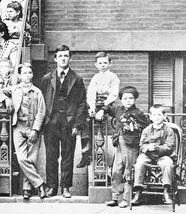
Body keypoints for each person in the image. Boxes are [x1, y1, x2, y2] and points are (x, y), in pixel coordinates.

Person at [40, 45, 88, 199]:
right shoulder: (47, 78)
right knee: (51, 155)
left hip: (69, 123)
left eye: (66, 56)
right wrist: (44, 122)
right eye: (60, 56)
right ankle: (52, 186)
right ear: (55, 58)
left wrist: (76, 125)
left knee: (68, 155)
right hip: (51, 122)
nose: (63, 58)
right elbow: (42, 101)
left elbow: (81, 103)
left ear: (70, 58)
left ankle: (66, 187)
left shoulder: (77, 79)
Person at [96, 86, 148, 208]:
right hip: (118, 144)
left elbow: (145, 128)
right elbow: (108, 107)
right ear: (121, 100)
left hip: (131, 146)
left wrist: (134, 126)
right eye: (125, 98)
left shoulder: (138, 113)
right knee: (116, 171)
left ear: (135, 99)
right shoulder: (118, 109)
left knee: (128, 172)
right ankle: (115, 197)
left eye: (131, 98)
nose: (128, 100)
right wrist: (102, 110)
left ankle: (126, 198)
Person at [8, 63, 48, 200]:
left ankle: (27, 189)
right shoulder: (13, 89)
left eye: (29, 73)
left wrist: (35, 130)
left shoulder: (37, 92)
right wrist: (6, 100)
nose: (27, 75)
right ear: (20, 75)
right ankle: (40, 184)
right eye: (24, 73)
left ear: (32, 75)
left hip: (32, 127)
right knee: (21, 158)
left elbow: (41, 112)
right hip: (18, 126)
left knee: (31, 158)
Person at [80, 52, 120, 168]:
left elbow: (113, 94)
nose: (103, 65)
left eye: (105, 63)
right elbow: (91, 94)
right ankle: (86, 152)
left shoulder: (113, 77)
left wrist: (103, 108)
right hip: (96, 103)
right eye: (100, 63)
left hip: (108, 104)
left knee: (105, 116)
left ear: (109, 64)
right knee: (85, 120)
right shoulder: (95, 78)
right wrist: (92, 108)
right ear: (96, 65)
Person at [131, 104, 175, 206]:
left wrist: (157, 148)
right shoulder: (146, 130)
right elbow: (141, 145)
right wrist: (147, 148)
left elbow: (170, 146)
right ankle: (138, 192)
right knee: (140, 163)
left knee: (168, 164)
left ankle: (166, 191)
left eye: (159, 115)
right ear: (150, 117)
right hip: (148, 155)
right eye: (154, 115)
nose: (157, 117)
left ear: (164, 116)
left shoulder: (169, 130)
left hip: (163, 155)